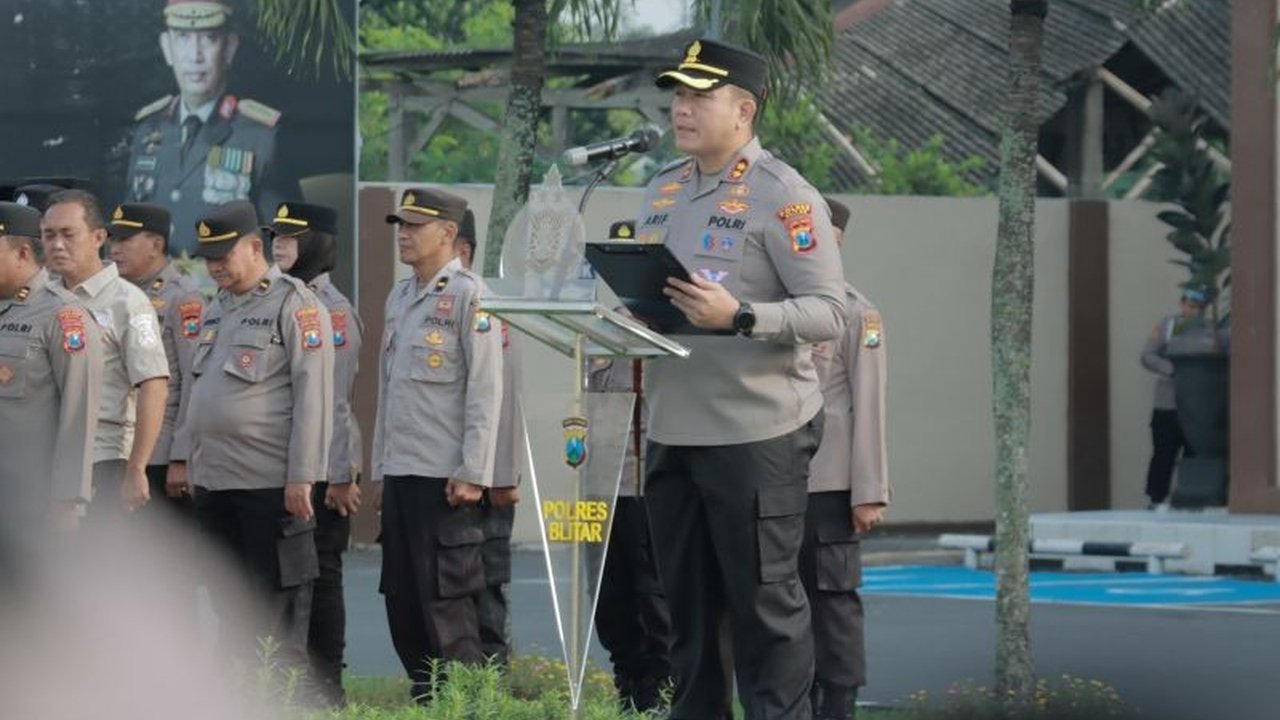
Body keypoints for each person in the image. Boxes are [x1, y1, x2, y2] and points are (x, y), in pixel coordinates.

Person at [639, 38, 847, 719]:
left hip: (756, 433)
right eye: (678, 94)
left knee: (766, 612)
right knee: (687, 615)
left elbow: (830, 312)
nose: (682, 107)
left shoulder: (784, 197)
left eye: (699, 96)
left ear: (745, 109)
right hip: (673, 429)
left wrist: (743, 315)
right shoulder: (661, 188)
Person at [181, 200, 333, 678]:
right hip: (216, 483)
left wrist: (302, 477)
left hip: (269, 486)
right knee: (229, 609)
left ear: (254, 246)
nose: (214, 266)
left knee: (276, 616)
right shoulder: (216, 307)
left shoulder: (295, 303)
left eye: (223, 255)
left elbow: (315, 395)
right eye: (208, 257)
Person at [370, 188, 503, 700]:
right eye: (399, 225)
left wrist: (474, 469)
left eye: (414, 225)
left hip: (446, 477)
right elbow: (388, 390)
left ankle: (468, 707)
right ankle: (428, 701)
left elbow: (485, 390)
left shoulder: (473, 294)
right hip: (403, 471)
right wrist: (381, 468)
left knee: (447, 602)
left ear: (448, 233)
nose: (402, 233)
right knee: (402, 600)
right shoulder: (399, 296)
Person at [798, 198, 890, 720]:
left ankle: (839, 707)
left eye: (820, 232)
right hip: (773, 482)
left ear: (838, 240)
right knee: (780, 606)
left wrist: (869, 490)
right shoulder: (778, 306)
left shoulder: (858, 312)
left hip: (830, 484)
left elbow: (869, 403)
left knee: (832, 603)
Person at [268, 200, 362, 707]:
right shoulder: (276, 300)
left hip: (323, 471)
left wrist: (342, 474)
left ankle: (327, 688)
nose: (279, 243)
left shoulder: (332, 311)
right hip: (282, 467)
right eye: (276, 235)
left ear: (319, 244)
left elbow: (337, 402)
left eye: (292, 236)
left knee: (320, 579)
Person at [123, 0, 299, 257]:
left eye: (208, 39)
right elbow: (128, 232)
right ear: (167, 48)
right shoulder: (147, 130)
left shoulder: (260, 137)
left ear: (229, 48)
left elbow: (284, 245)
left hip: (225, 290)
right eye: (182, 38)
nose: (195, 56)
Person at [43, 190, 170, 518]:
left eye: (68, 234)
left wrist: (137, 467)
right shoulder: (42, 300)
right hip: (43, 456)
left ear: (99, 237)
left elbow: (153, 385)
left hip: (101, 460)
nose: (57, 244)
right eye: (49, 235)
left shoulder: (128, 302)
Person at [587, 250, 673, 712]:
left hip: (651, 483)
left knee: (654, 595)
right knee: (610, 596)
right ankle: (628, 686)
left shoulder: (671, 325)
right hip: (605, 484)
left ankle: (661, 690)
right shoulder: (600, 328)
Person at [0, 202, 103, 557]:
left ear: (23, 253)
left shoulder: (63, 315)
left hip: (29, 501)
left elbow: (79, 413)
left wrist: (68, 501)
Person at [454, 208, 525, 666]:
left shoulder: (488, 307)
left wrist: (501, 476)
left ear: (461, 250)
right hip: (449, 473)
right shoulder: (420, 303)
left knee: (486, 584)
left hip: (487, 481)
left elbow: (506, 397)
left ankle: (491, 685)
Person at [107, 202, 206, 513]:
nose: (115, 249)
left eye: (125, 240)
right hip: (120, 446)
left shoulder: (183, 298)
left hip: (161, 454)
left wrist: (181, 455)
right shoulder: (116, 295)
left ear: (156, 244)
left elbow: (194, 379)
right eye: (113, 239)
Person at [1140, 288, 1212, 509]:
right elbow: (1147, 355)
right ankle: (1156, 498)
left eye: (1197, 308)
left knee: (1196, 454)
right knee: (1164, 452)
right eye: (1189, 305)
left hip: (1196, 404)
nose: (1193, 311)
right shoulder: (1167, 326)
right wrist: (1171, 368)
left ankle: (1194, 497)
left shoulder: (1209, 329)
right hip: (1168, 403)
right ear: (1182, 304)